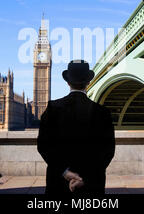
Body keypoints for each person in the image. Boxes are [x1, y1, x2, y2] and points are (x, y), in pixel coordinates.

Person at [37, 60, 115, 194]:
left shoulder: (52, 109)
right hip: (91, 186)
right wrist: (85, 177)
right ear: (88, 82)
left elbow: (43, 146)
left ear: (67, 82)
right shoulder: (102, 112)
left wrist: (65, 172)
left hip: (59, 183)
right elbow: (107, 151)